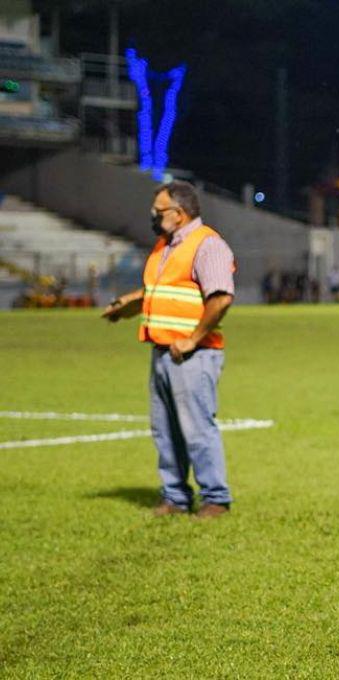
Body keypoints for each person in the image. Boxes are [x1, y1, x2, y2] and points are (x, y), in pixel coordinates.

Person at [101, 180, 236, 519]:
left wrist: (192, 339)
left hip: (193, 353)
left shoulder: (208, 245)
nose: (153, 216)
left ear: (178, 214)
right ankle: (175, 497)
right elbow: (160, 293)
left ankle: (215, 498)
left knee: (196, 428)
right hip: (162, 350)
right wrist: (129, 305)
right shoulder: (165, 246)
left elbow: (220, 298)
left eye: (158, 211)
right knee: (165, 431)